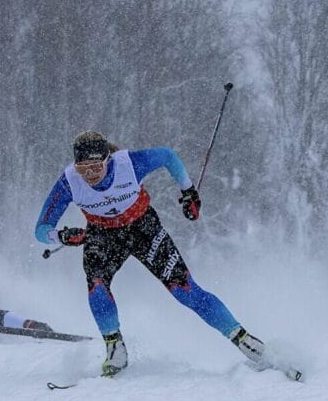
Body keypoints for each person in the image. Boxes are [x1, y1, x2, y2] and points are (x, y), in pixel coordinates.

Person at [33, 130, 293, 379]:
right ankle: (114, 348)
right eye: (83, 169)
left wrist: (188, 191)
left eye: (96, 167)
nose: (90, 175)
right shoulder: (69, 182)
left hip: (142, 227)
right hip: (102, 236)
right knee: (97, 286)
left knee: (184, 290)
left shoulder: (129, 164)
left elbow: (168, 156)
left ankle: (244, 339)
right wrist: (63, 236)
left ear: (107, 161)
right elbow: (41, 230)